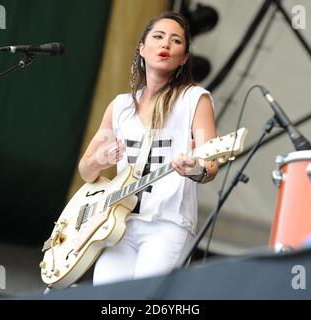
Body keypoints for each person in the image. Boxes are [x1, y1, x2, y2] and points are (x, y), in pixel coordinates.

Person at [78, 11, 218, 286]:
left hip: (167, 224)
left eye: (176, 41)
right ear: (142, 48)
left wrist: (195, 168)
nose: (166, 44)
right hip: (119, 224)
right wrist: (98, 161)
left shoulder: (194, 100)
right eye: (158, 37)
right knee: (108, 299)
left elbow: (211, 166)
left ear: (185, 57)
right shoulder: (120, 107)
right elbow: (85, 170)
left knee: (146, 299)